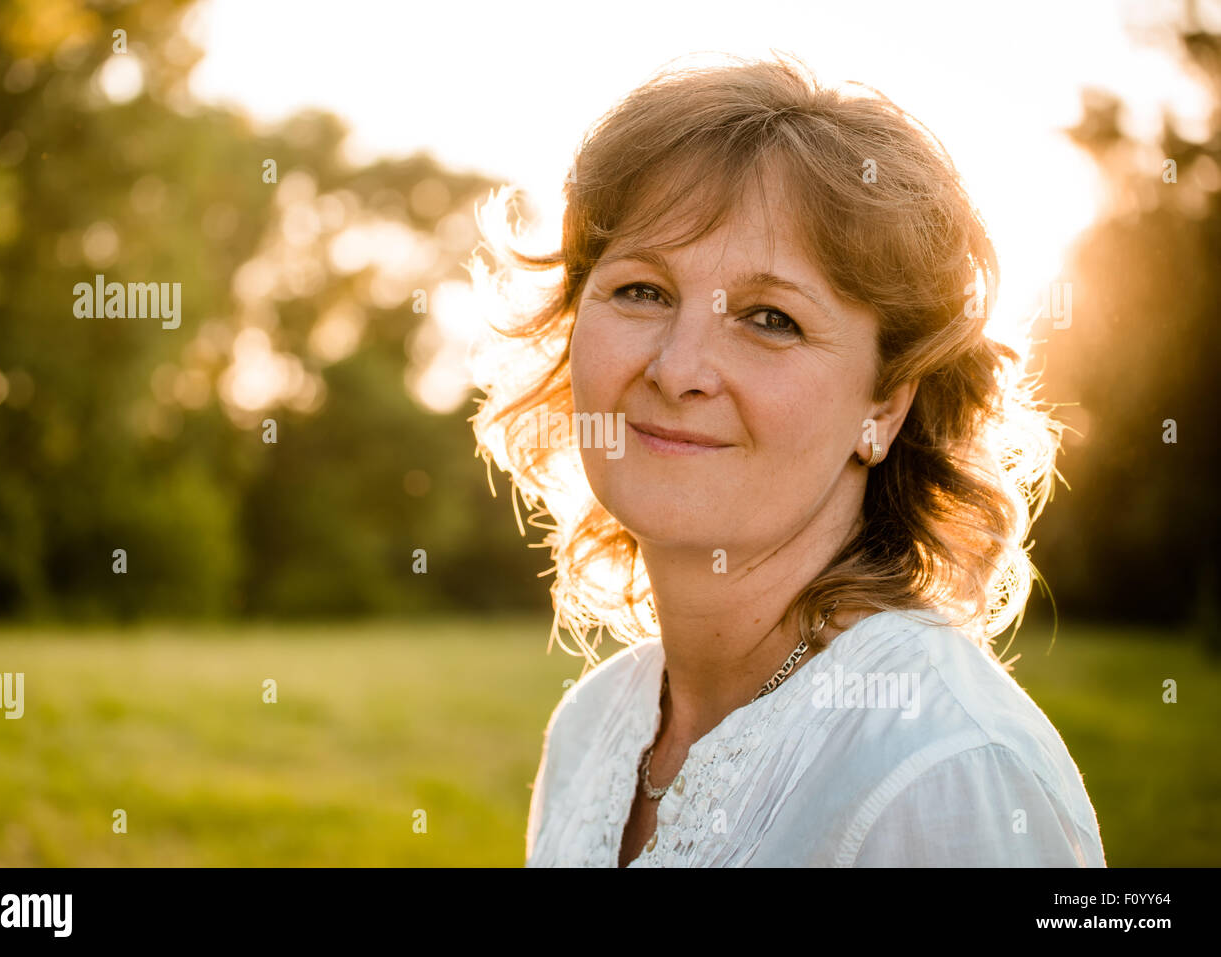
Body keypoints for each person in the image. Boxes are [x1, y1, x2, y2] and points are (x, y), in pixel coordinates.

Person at [467, 52, 1105, 867]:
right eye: (643, 291)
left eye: (770, 318)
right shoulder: (594, 724)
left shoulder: (945, 772)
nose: (678, 367)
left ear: (884, 406)